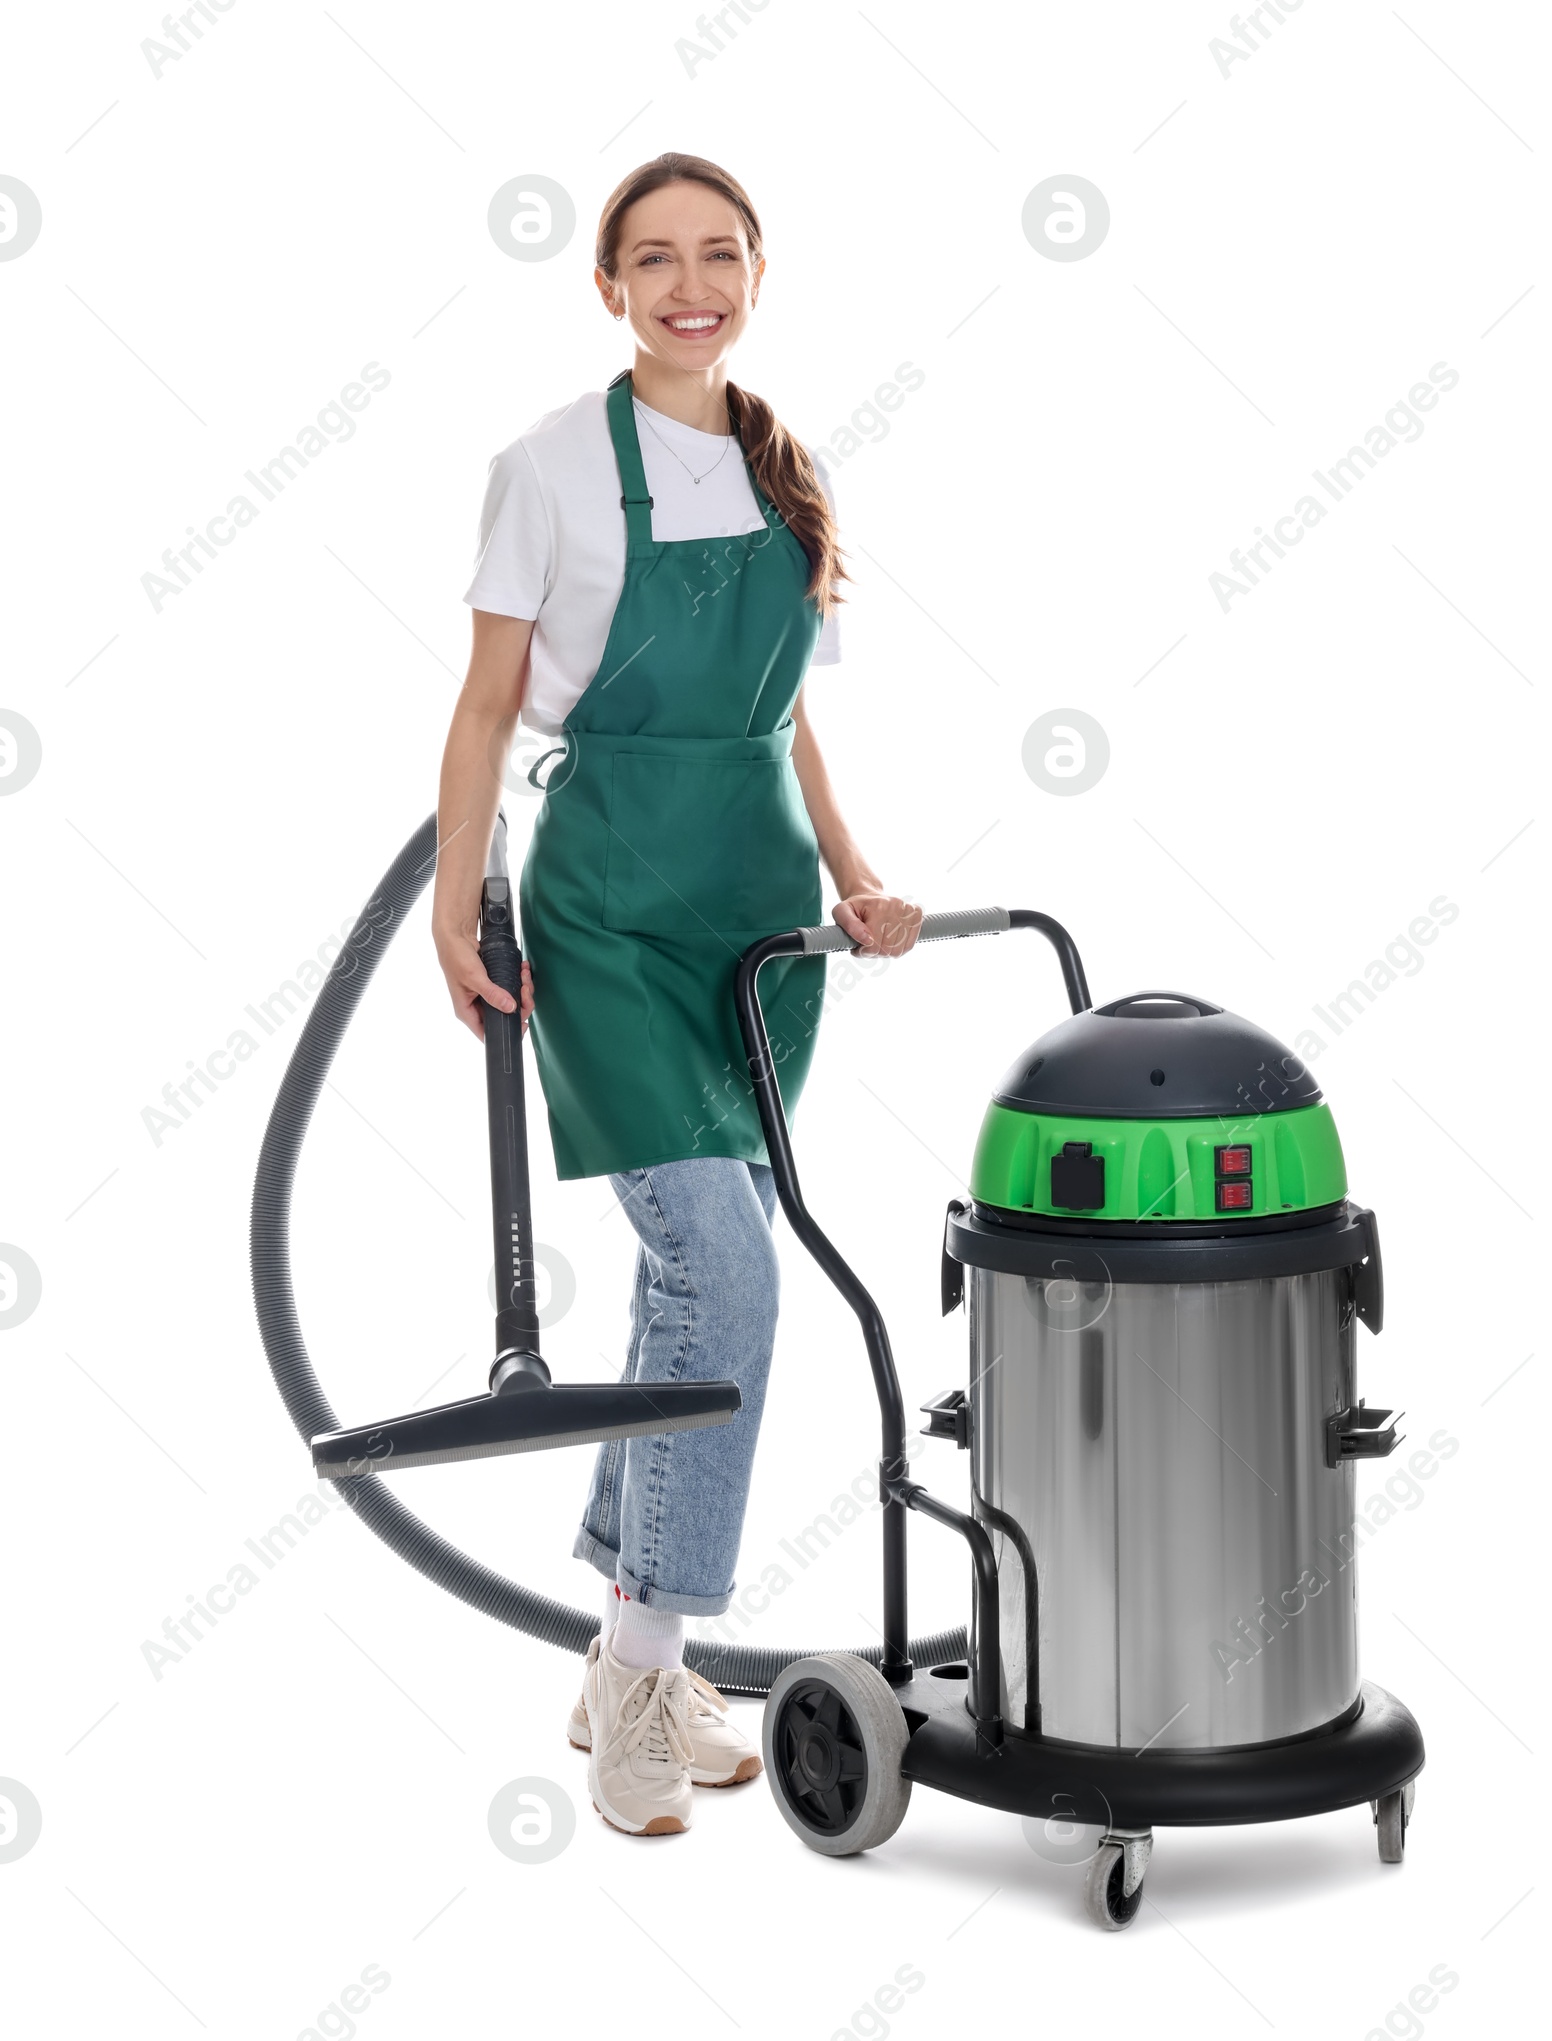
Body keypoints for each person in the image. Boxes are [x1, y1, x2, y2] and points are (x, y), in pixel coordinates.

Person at [432, 152, 921, 1837]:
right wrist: (454, 895)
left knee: (683, 1282)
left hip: (760, 929)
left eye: (718, 255)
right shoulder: (552, 468)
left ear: (758, 274)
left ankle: (610, 1654)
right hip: (616, 919)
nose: (687, 283)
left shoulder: (788, 472)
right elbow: (490, 708)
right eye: (654, 259)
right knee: (727, 1268)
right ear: (609, 287)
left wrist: (857, 877)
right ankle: (649, 1672)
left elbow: (788, 718)